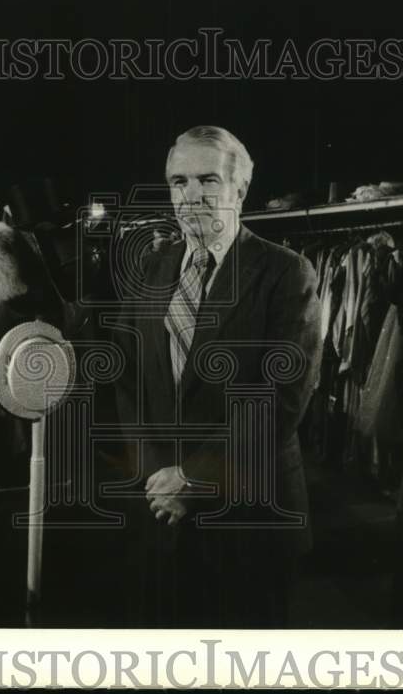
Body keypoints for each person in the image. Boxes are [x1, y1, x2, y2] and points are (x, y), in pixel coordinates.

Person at [115, 125, 322, 627]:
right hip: (163, 511)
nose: (191, 197)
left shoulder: (285, 273)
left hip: (250, 519)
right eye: (178, 182)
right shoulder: (152, 267)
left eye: (208, 180)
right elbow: (126, 379)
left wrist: (196, 479)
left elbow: (282, 399)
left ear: (241, 189)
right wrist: (158, 477)